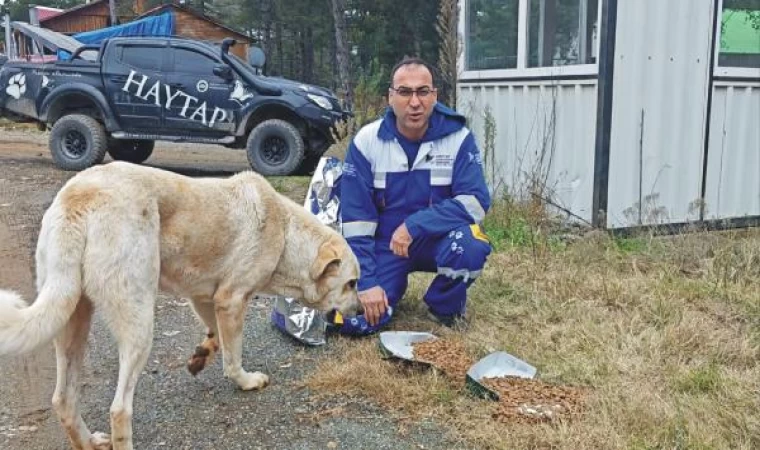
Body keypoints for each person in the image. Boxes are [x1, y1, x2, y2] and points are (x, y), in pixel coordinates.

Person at [336, 57, 491, 335]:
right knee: (361, 322)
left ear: (434, 96)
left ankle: (444, 307)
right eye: (405, 92)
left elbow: (476, 202)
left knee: (472, 245)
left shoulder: (459, 138)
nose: (415, 102)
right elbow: (357, 220)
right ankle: (387, 287)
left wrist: (414, 226)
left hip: (438, 239)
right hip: (386, 246)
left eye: (422, 91)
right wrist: (368, 282)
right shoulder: (367, 142)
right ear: (390, 97)